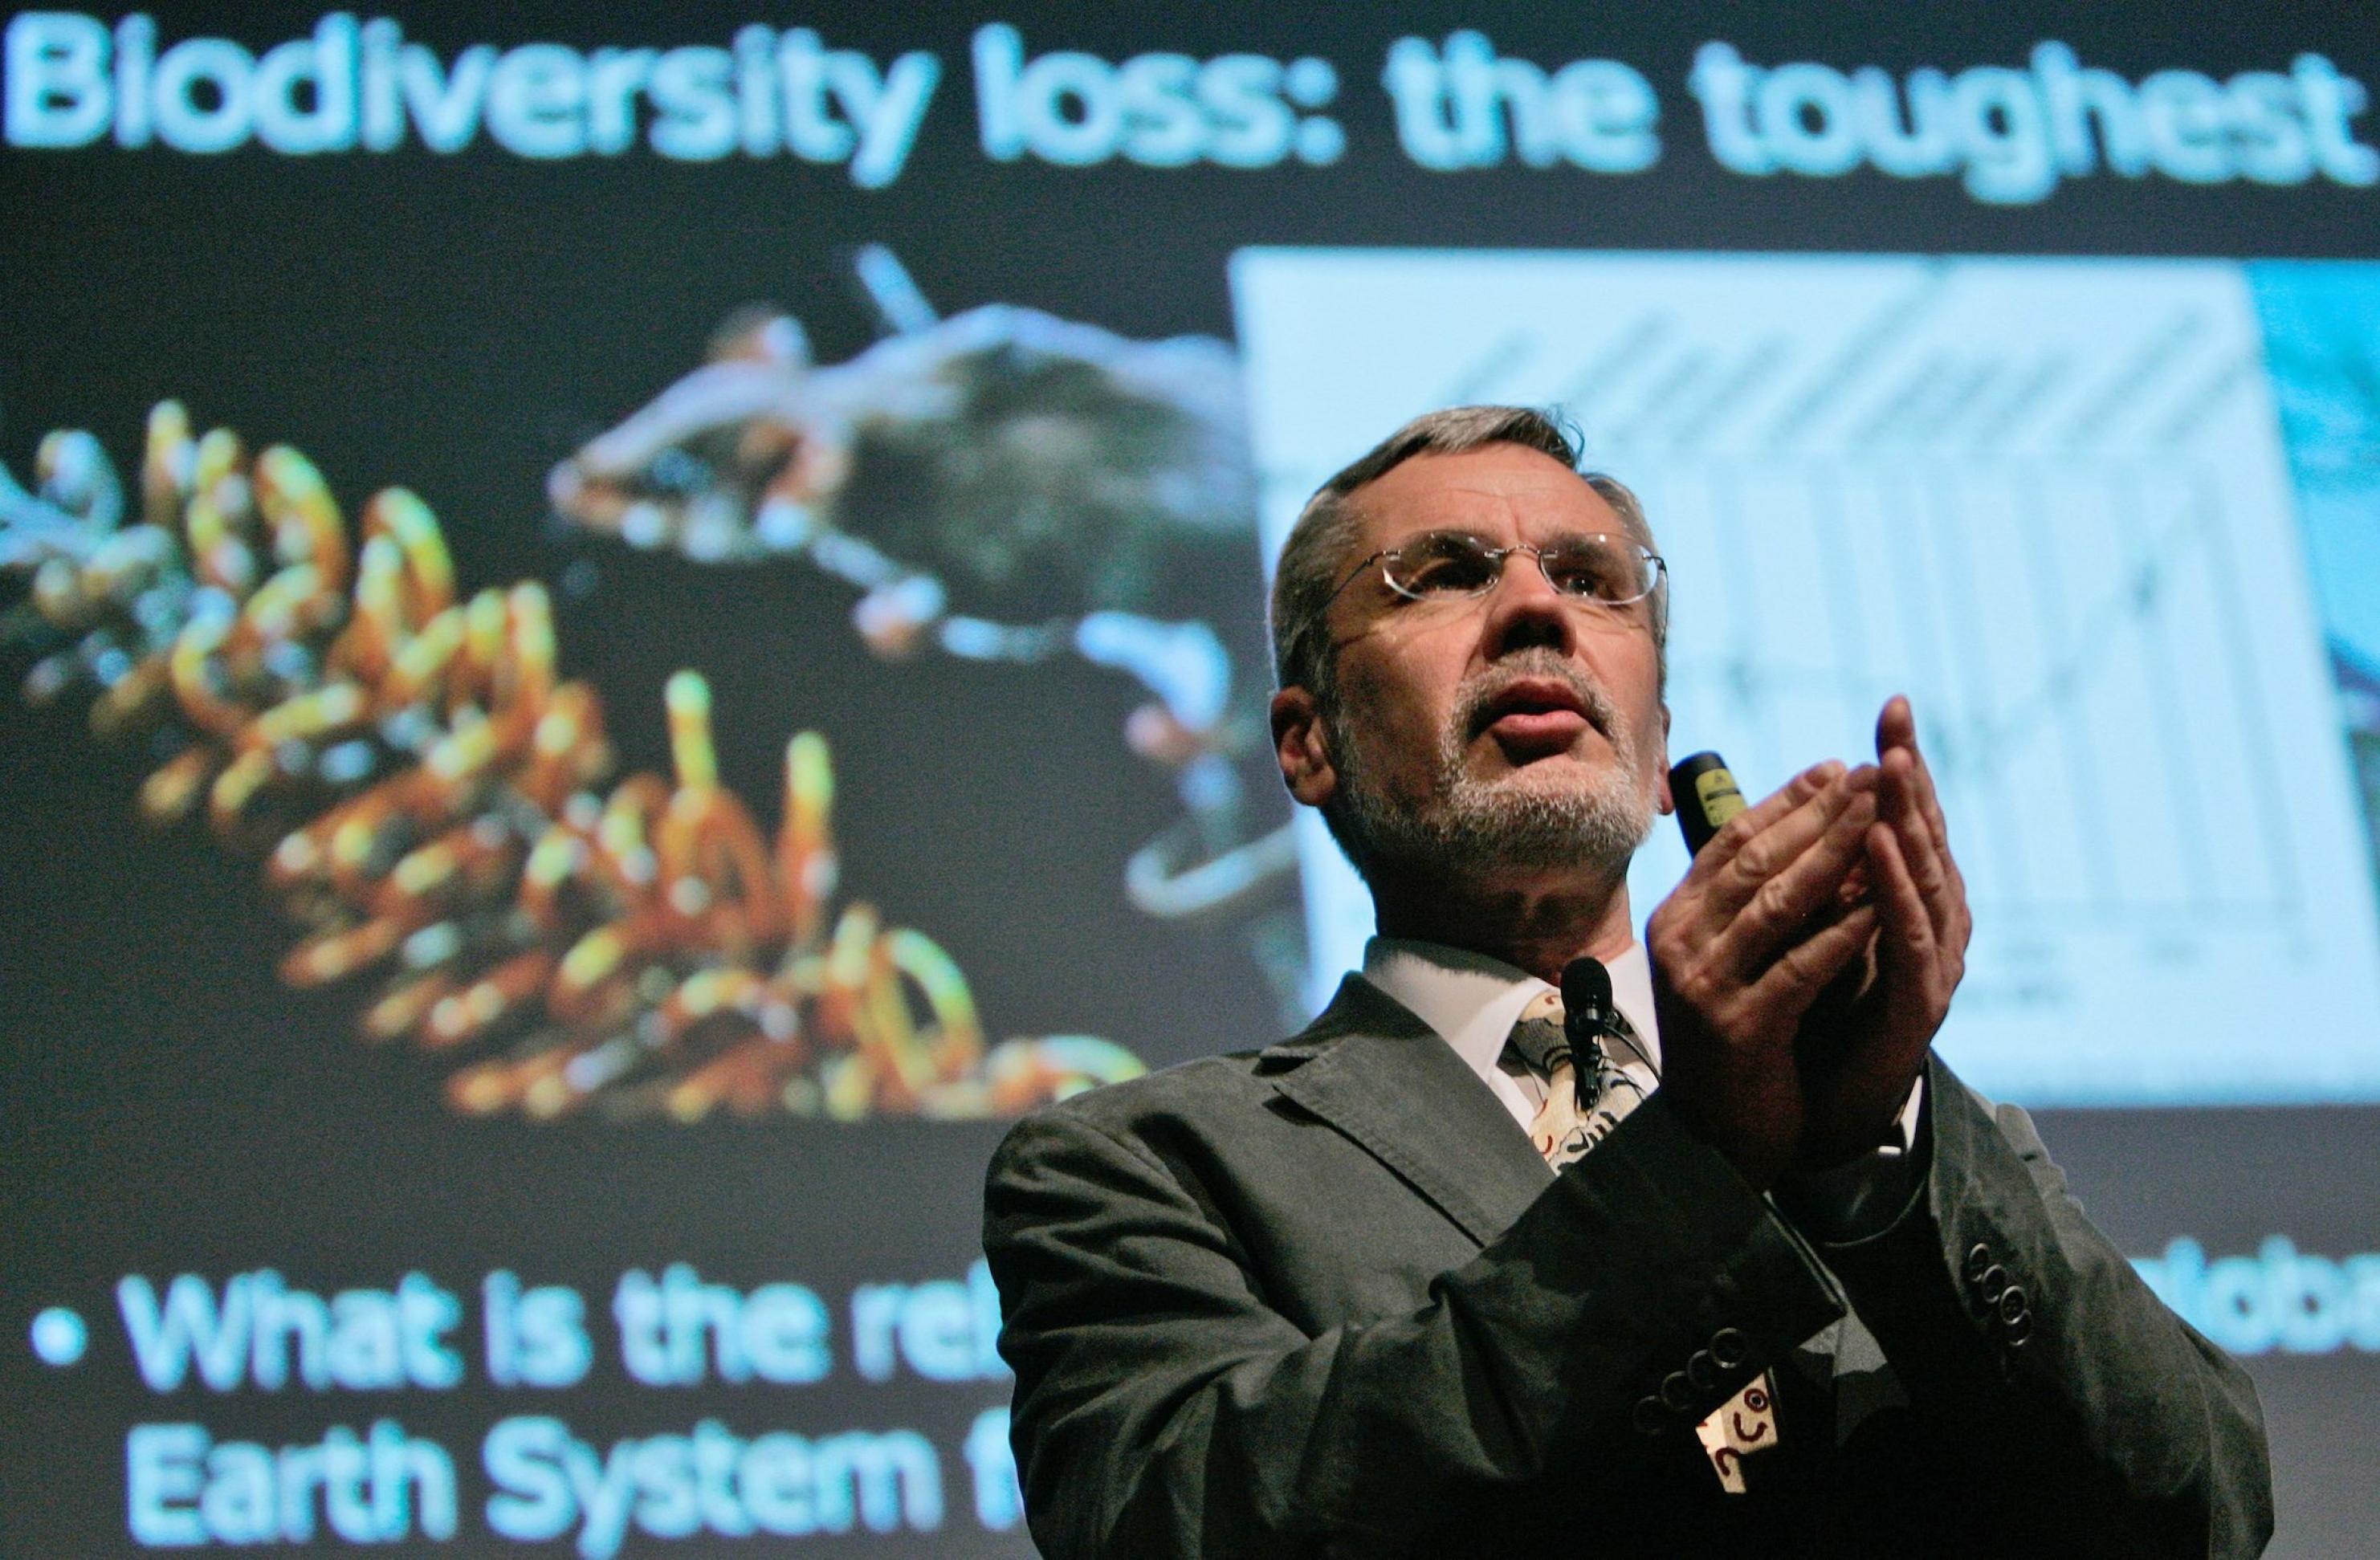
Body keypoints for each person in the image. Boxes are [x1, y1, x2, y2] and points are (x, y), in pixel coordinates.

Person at [981, 406, 2272, 1556]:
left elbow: (2195, 1512)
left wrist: (1872, 1153)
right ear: (1307, 742)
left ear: (1659, 749)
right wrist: (1697, 1163)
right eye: (1442, 576)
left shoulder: (1905, 1130)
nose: (1538, 609)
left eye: (1592, 580)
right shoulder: (1140, 1166)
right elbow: (1200, 1524)